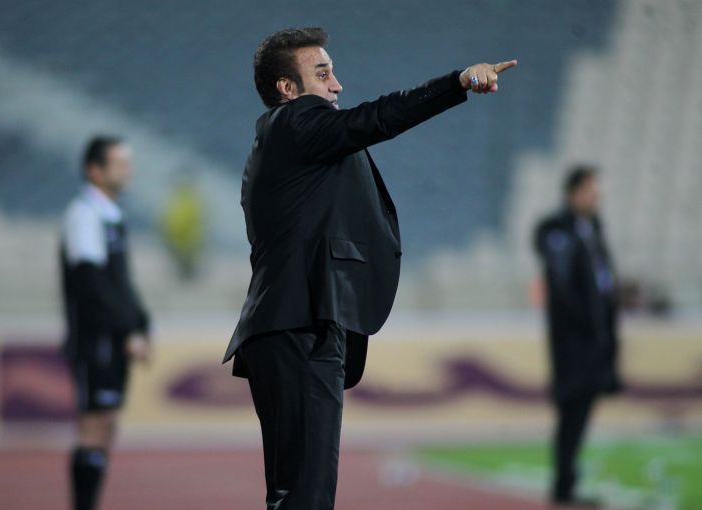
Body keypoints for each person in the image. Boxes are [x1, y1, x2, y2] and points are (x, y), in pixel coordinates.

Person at [223, 26, 516, 510]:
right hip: (302, 324)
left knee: (293, 493)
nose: (337, 84)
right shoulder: (295, 124)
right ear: (287, 88)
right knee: (306, 496)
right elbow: (378, 118)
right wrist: (458, 82)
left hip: (286, 325)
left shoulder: (283, 141)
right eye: (322, 74)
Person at [60, 136, 152, 510]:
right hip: (95, 339)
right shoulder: (84, 214)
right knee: (93, 425)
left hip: (111, 338)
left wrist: (141, 324)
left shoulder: (111, 215)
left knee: (106, 424)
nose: (129, 170)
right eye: (120, 163)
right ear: (95, 170)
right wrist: (127, 329)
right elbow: (92, 283)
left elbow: (120, 282)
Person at [534, 166, 622, 507]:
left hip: (595, 339)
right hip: (573, 341)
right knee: (572, 410)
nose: (597, 198)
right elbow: (564, 286)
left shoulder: (593, 227)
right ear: (573, 193)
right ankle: (563, 487)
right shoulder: (557, 229)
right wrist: (586, 321)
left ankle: (567, 484)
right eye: (590, 191)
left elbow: (600, 280)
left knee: (582, 411)